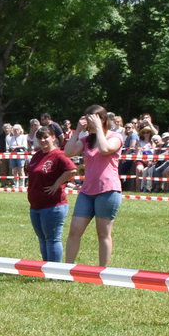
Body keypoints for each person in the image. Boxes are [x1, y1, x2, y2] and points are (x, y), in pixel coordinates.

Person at [62, 104, 121, 266]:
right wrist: (77, 130)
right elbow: (68, 152)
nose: (89, 123)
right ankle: (67, 268)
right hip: (87, 192)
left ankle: (102, 271)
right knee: (74, 231)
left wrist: (99, 128)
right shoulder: (86, 140)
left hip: (108, 191)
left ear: (102, 120)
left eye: (92, 119)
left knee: (103, 233)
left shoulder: (115, 137)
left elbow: (105, 149)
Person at [25, 126, 75, 261]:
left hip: (53, 205)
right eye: (40, 138)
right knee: (43, 239)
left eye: (45, 137)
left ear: (53, 138)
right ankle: (46, 268)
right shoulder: (37, 155)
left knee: (52, 239)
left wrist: (57, 184)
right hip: (35, 206)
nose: (43, 140)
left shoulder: (59, 155)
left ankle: (55, 272)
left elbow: (71, 170)